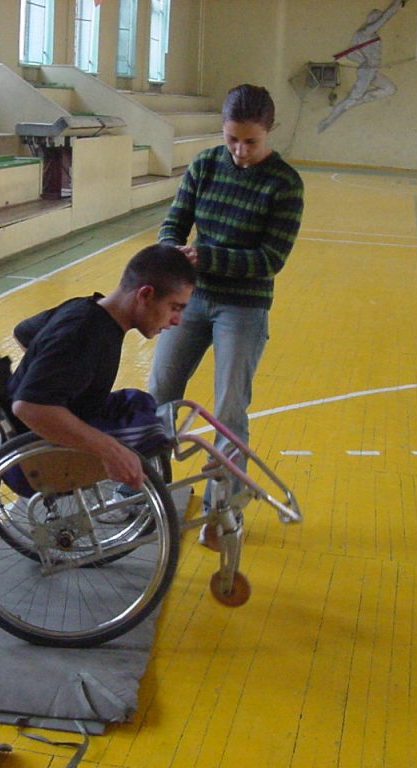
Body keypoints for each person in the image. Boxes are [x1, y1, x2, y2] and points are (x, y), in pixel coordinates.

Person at [148, 83, 304, 506]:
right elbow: (174, 221)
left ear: (270, 131)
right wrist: (171, 249)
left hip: (243, 307)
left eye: (250, 142)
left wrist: (208, 257)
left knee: (229, 409)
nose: (239, 150)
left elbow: (271, 259)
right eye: (232, 139)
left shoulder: (285, 184)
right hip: (192, 299)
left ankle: (226, 505)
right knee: (160, 391)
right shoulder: (205, 165)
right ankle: (146, 488)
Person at [8, 243, 195, 490]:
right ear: (145, 295)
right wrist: (110, 450)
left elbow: (24, 332)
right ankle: (131, 493)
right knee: (150, 430)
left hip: (32, 434)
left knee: (141, 403)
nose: (177, 320)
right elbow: (28, 407)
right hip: (34, 457)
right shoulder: (83, 334)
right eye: (175, 307)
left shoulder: (86, 308)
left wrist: (52, 370)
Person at [318, 0, 406, 133]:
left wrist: (369, 63)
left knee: (389, 88)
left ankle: (358, 100)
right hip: (367, 71)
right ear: (371, 19)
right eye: (376, 18)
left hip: (371, 70)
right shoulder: (366, 32)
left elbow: (352, 54)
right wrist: (397, 4)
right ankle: (328, 120)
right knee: (351, 99)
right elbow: (385, 17)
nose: (378, 21)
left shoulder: (365, 34)